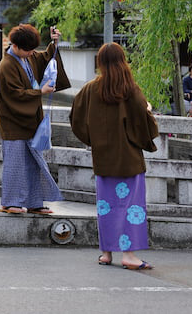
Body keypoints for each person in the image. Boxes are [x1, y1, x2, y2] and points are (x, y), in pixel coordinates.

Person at [69, 43, 159, 270]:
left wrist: (94, 139)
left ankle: (106, 253)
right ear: (122, 60)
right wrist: (147, 110)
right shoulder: (130, 89)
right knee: (130, 206)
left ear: (99, 62)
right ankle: (128, 254)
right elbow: (143, 122)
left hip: (103, 159)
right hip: (128, 159)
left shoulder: (90, 89)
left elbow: (76, 118)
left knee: (106, 206)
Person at [0, 24, 70, 215]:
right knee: (15, 162)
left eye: (32, 49)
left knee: (34, 162)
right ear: (15, 46)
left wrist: (54, 42)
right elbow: (14, 94)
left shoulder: (28, 57)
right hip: (13, 121)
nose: (31, 53)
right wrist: (40, 92)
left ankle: (35, 202)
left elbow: (46, 58)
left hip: (30, 120)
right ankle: (11, 202)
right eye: (27, 50)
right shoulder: (7, 64)